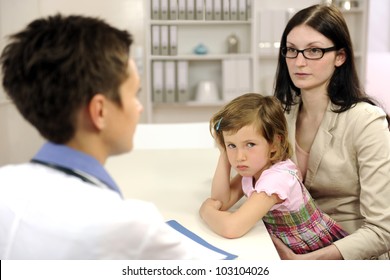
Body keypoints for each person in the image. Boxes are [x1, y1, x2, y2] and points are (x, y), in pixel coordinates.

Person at [0, 14, 195, 259]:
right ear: (99, 111)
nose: (139, 107)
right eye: (134, 94)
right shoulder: (131, 226)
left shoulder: (4, 184)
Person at [273, 4, 390, 260]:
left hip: (349, 254)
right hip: (291, 245)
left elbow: (383, 231)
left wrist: (303, 263)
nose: (299, 61)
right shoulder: (280, 114)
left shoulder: (367, 121)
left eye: (314, 50)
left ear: (340, 56)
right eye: (292, 50)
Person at [199, 93, 349, 254]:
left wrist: (205, 211)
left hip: (314, 253)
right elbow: (221, 201)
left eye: (250, 144)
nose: (239, 157)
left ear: (274, 143)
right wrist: (224, 153)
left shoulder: (276, 180)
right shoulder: (253, 169)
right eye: (232, 145)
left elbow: (232, 228)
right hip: (287, 248)